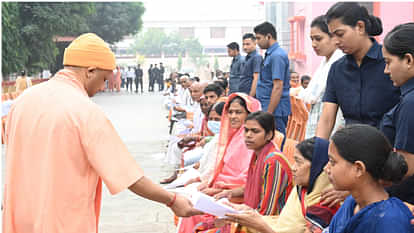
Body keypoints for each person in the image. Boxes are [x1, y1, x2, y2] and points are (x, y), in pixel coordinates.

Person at [2, 33, 198, 233]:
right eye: (104, 78)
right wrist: (172, 200)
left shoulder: (22, 102)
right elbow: (129, 176)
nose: (103, 86)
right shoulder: (84, 111)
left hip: (20, 218)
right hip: (61, 222)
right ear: (90, 71)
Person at [194, 111, 294, 233]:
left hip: (272, 223)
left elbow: (267, 211)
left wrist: (236, 218)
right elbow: (253, 186)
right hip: (255, 216)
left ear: (269, 135)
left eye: (255, 131)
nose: (248, 135)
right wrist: (229, 193)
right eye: (246, 130)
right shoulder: (257, 155)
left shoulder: (273, 161)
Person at [177, 93, 261, 233]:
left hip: (236, 199)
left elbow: (249, 184)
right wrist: (207, 184)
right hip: (220, 193)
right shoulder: (232, 136)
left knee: (192, 212)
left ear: (251, 114)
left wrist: (217, 191)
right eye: (230, 112)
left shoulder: (252, 141)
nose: (233, 116)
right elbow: (221, 171)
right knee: (187, 201)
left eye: (238, 112)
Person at [316, 2, 400, 139]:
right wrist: (317, 151)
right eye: (333, 36)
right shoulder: (337, 69)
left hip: (387, 150)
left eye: (340, 34)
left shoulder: (390, 62)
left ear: (360, 27)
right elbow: (327, 118)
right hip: (350, 151)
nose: (336, 41)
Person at [224, 137, 339, 233]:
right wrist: (249, 213)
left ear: (316, 167)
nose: (293, 168)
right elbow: (283, 222)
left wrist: (261, 226)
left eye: (299, 162)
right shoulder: (302, 190)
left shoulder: (327, 204)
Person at [324, 124, 413, 233]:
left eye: (332, 162)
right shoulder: (351, 203)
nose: (326, 168)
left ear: (359, 169)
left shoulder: (390, 221)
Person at [380, 22, 414, 205]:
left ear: (408, 60)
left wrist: (367, 186)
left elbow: (405, 166)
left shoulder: (410, 102)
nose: (386, 70)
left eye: (388, 62)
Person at [298, 15, 345, 139]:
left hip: (333, 130)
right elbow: (311, 96)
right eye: (312, 39)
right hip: (317, 126)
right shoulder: (324, 64)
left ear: (334, 37)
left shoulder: (340, 64)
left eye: (318, 39)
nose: (313, 44)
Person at [254, 22, 291, 135]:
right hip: (268, 107)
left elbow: (278, 86)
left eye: (259, 38)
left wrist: (269, 113)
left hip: (275, 110)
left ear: (268, 36)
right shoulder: (271, 54)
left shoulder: (277, 56)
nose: (257, 42)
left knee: (277, 141)